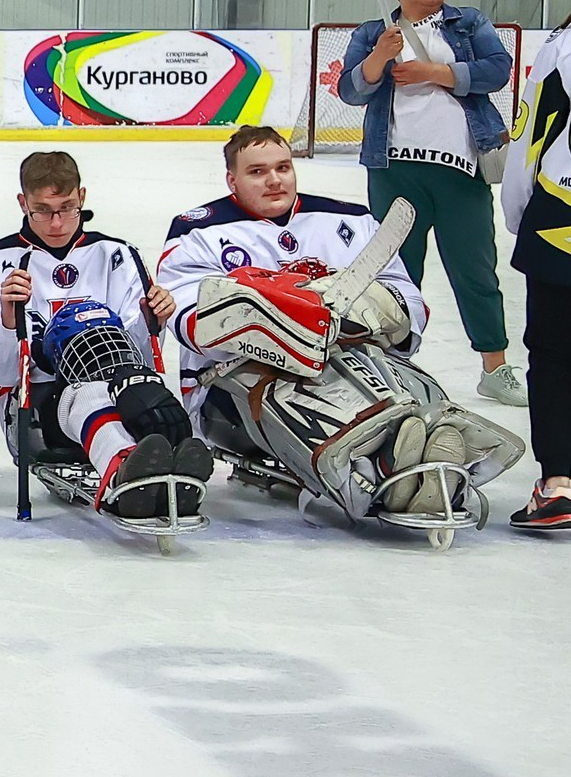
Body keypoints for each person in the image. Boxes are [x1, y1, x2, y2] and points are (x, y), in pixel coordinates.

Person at [159, 125, 520, 527]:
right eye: (257, 172)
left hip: (355, 361)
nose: (275, 179)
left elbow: (410, 302)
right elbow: (191, 322)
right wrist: (283, 317)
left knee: (399, 380)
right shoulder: (197, 231)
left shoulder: (349, 219)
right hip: (233, 388)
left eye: (283, 167)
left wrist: (370, 310)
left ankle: (421, 450)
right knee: (304, 387)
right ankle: (385, 470)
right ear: (232, 179)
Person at [0, 152, 209, 520]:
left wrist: (151, 321)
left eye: (67, 207)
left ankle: (168, 470)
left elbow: (141, 357)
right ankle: (123, 476)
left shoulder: (118, 255)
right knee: (87, 392)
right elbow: (1, 375)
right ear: (22, 202)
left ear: (83, 197)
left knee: (153, 403)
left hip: (122, 386)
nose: (57, 222)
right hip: (36, 408)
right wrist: (8, 322)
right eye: (42, 210)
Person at [332, 0, 523, 405]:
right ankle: (392, 368)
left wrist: (436, 73)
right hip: (395, 169)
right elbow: (351, 90)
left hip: (461, 170)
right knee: (396, 273)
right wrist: (380, 55)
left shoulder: (469, 22)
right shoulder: (374, 31)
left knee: (476, 270)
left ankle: (495, 368)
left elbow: (498, 69)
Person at [500, 18, 571, 530]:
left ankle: (560, 485)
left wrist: (519, 212)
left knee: (554, 356)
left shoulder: (562, 46)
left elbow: (532, 134)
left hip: (562, 217)